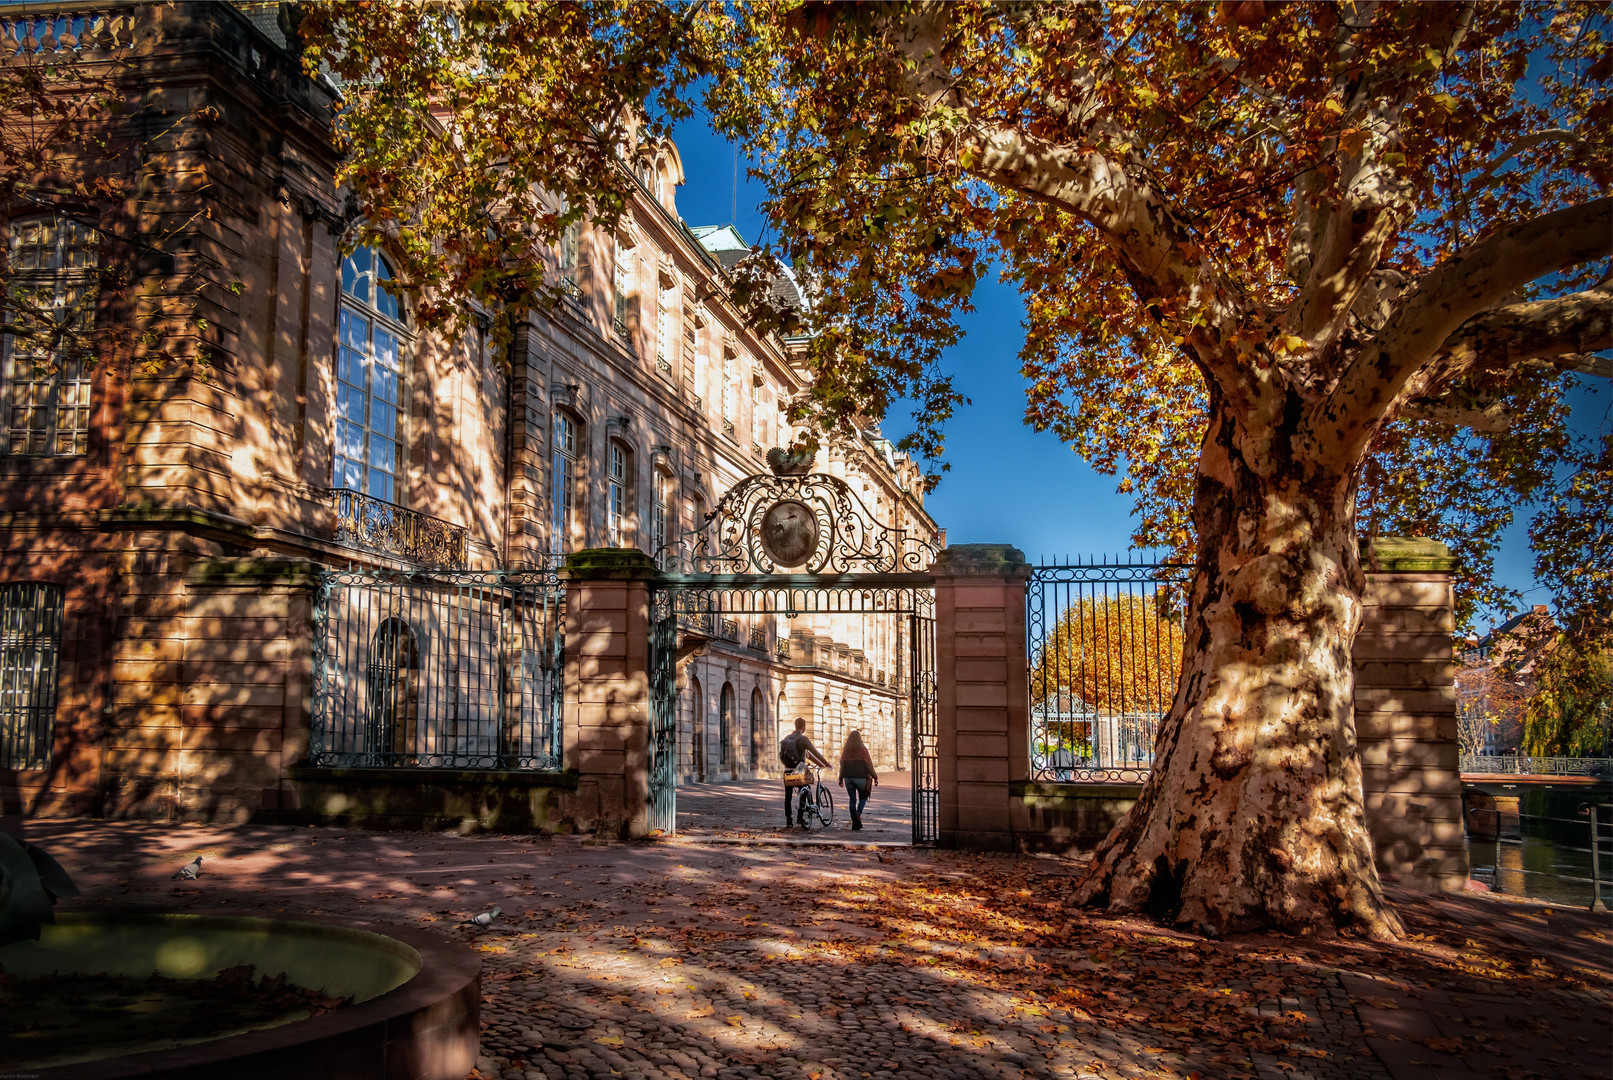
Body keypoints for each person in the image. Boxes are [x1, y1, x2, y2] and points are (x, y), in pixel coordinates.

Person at [779, 717, 830, 828]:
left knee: (788, 797)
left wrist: (820, 763)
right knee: (805, 788)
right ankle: (800, 817)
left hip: (787, 770)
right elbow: (815, 753)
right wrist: (826, 764)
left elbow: (808, 755)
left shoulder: (787, 738)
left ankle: (789, 821)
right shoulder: (803, 739)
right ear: (803, 727)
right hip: (799, 770)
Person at [838, 729, 879, 830]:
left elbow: (842, 765)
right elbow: (869, 765)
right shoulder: (863, 750)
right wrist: (875, 776)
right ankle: (858, 813)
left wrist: (840, 778)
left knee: (852, 799)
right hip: (861, 778)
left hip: (848, 778)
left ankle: (855, 822)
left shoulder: (846, 750)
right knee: (863, 797)